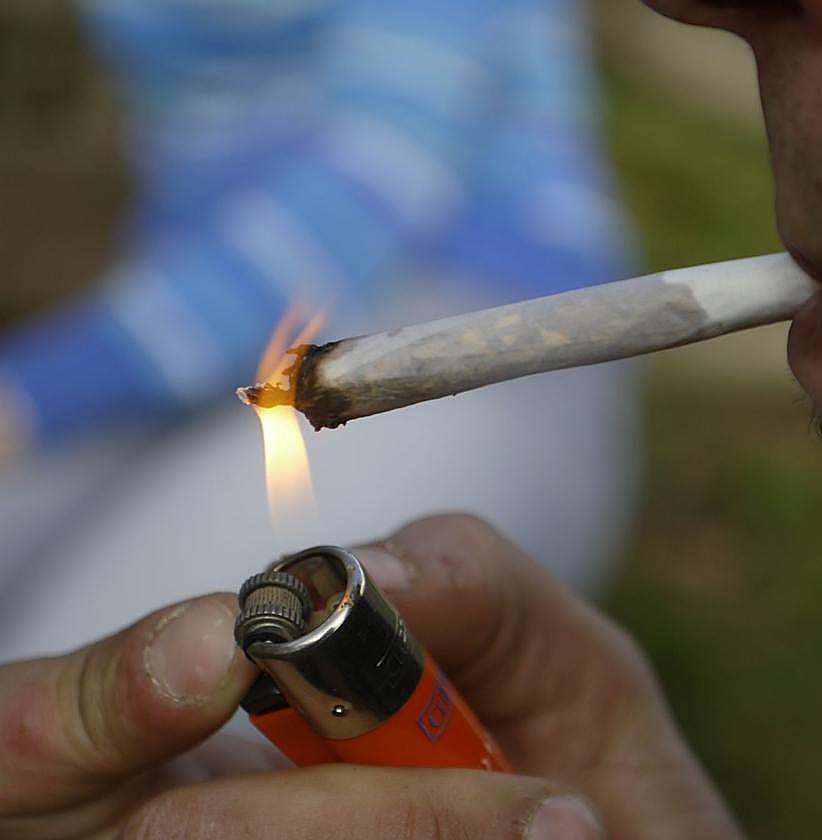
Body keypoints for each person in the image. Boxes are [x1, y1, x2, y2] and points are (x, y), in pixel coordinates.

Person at [4, 0, 822, 837]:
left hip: (465, 307)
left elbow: (362, 186)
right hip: (183, 341)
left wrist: (36, 395)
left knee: (105, 664)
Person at [0, 0, 639, 662]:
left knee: (102, 675)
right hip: (206, 347)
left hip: (467, 337)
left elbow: (374, 175)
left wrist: (42, 391)